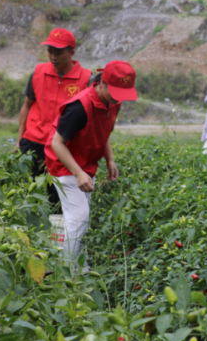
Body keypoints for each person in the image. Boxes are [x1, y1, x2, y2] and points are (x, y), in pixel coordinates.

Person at [44, 60, 138, 272]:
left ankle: (79, 267)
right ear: (102, 83)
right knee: (79, 217)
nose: (118, 97)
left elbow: (103, 131)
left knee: (78, 218)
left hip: (86, 165)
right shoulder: (79, 107)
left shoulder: (113, 102)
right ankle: (65, 272)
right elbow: (56, 143)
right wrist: (78, 173)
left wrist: (110, 159)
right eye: (115, 91)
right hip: (64, 164)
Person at [15, 28, 92, 210]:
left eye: (58, 52)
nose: (53, 57)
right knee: (27, 196)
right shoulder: (38, 73)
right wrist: (19, 140)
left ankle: (57, 236)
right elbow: (27, 105)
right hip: (32, 144)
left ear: (71, 52)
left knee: (57, 200)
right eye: (50, 51)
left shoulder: (85, 80)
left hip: (62, 147)